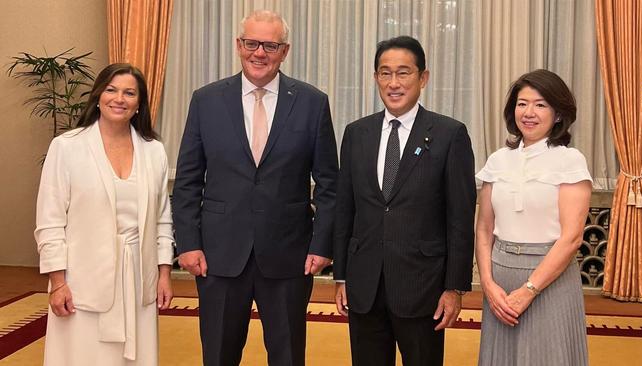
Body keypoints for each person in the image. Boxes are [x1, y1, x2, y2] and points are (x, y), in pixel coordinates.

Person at [172, 9, 338, 366]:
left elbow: (329, 185)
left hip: (289, 256)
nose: (259, 52)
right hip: (218, 255)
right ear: (238, 45)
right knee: (218, 354)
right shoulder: (206, 100)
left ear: (285, 50)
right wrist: (188, 243)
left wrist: (322, 245)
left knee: (288, 355)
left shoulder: (312, 103)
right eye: (251, 43)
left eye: (270, 45)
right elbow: (187, 180)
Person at [333, 36, 476, 366]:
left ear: (423, 78)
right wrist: (341, 277)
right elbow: (345, 210)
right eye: (385, 73)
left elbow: (460, 218)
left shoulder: (448, 134)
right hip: (365, 285)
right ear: (375, 78)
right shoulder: (357, 133)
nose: (393, 83)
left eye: (403, 73)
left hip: (422, 286)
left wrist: (454, 288)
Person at [34, 63, 175, 365]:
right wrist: (58, 282)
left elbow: (163, 218)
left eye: (129, 93)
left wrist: (164, 274)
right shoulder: (67, 147)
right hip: (81, 278)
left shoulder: (154, 152)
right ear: (98, 96)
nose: (119, 98)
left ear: (139, 104)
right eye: (111, 90)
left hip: (138, 276)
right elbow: (50, 221)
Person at [475, 69, 591, 365]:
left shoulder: (569, 160)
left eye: (540, 105)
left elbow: (572, 238)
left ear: (558, 114)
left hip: (549, 279)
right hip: (500, 278)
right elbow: (485, 229)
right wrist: (487, 283)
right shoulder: (498, 160)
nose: (529, 112)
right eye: (521, 103)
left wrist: (529, 290)